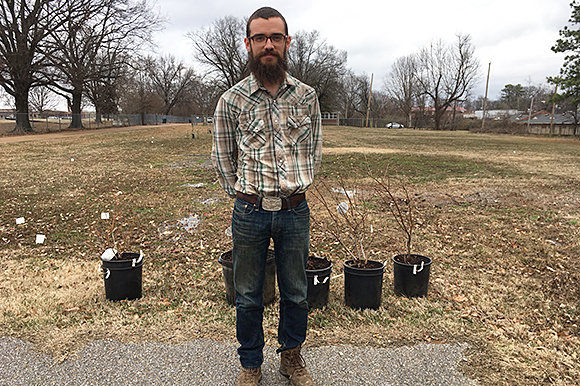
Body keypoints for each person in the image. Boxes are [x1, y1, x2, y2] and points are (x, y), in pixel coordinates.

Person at [211, 6, 322, 386]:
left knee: (296, 292)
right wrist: (243, 194)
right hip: (250, 212)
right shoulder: (231, 100)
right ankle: (250, 364)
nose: (268, 44)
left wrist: (299, 185)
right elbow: (223, 157)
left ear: (287, 42)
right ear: (248, 44)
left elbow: (315, 150)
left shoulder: (307, 97)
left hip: (294, 211)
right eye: (260, 38)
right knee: (247, 294)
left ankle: (291, 358)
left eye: (275, 37)